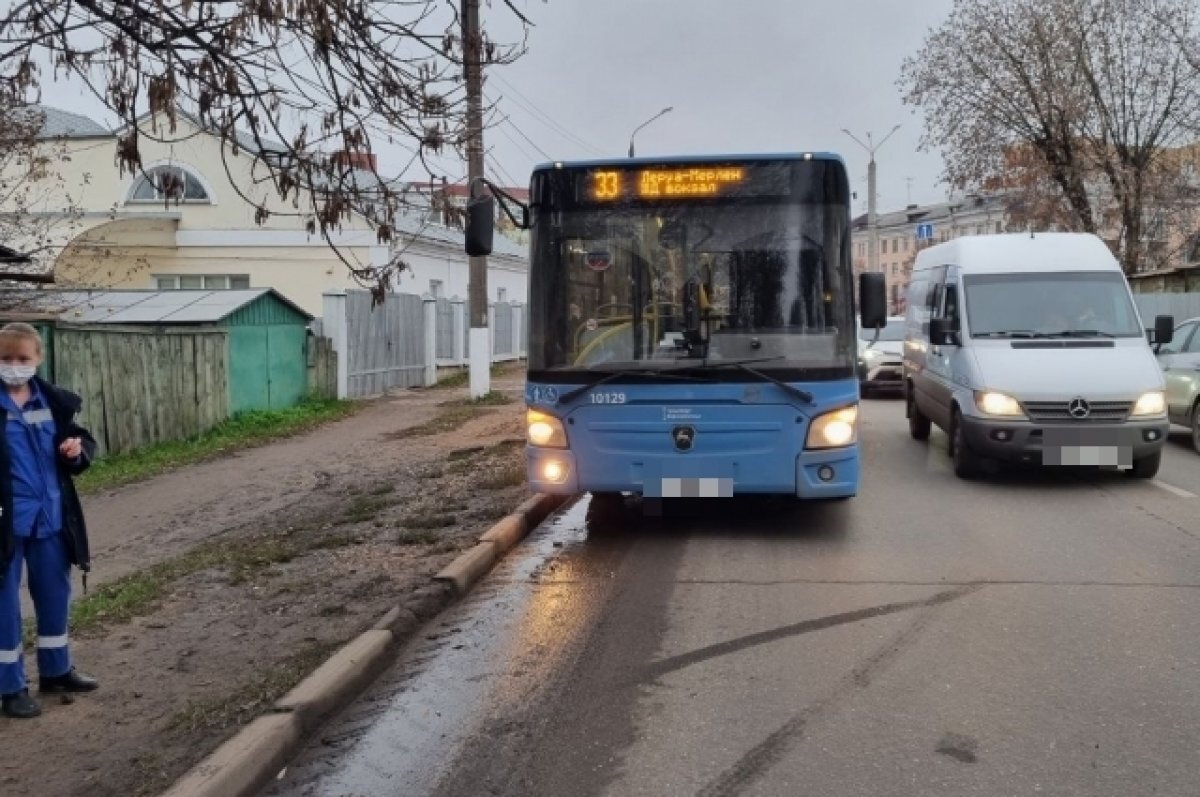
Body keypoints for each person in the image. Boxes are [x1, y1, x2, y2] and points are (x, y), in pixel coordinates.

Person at [0, 323, 98, 719]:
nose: (14, 366)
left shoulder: (53, 402)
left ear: (38, 359)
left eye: (22, 359)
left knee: (55, 596)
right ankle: (9, 687)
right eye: (5, 359)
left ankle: (56, 671)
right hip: (6, 523)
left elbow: (79, 445)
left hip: (51, 519)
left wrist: (75, 450)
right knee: (5, 606)